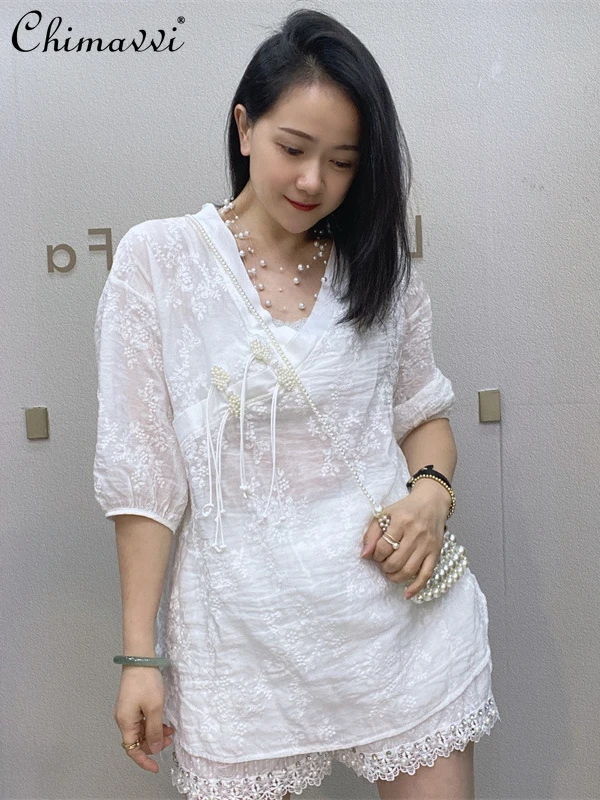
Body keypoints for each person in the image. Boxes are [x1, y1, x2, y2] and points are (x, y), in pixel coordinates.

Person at [93, 8, 500, 800]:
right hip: (242, 643)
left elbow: (423, 416)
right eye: (293, 148)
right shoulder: (159, 262)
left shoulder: (379, 270)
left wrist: (429, 497)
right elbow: (144, 478)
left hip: (398, 624)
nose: (314, 181)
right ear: (245, 127)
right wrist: (141, 656)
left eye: (343, 162)